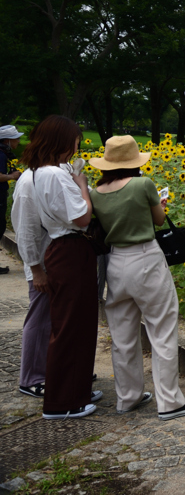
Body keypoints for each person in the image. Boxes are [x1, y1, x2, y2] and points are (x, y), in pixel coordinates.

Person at [89, 135, 185, 420]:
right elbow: (159, 220)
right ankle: (170, 402)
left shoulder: (96, 191)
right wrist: (161, 203)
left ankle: (127, 398)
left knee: (122, 334)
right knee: (162, 329)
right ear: (134, 161)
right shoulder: (143, 184)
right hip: (146, 259)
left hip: (116, 262)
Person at [10, 115, 102, 419]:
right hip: (66, 251)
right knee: (67, 326)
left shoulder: (43, 173)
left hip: (62, 251)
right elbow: (82, 218)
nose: (78, 144)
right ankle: (61, 399)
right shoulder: (52, 176)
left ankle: (74, 390)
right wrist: (83, 186)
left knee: (72, 324)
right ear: (62, 141)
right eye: (75, 139)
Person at [0, 124, 24, 275]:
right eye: (16, 139)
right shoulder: (1, 155)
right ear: (8, 140)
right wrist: (12, 176)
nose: (18, 142)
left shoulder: (3, 154)